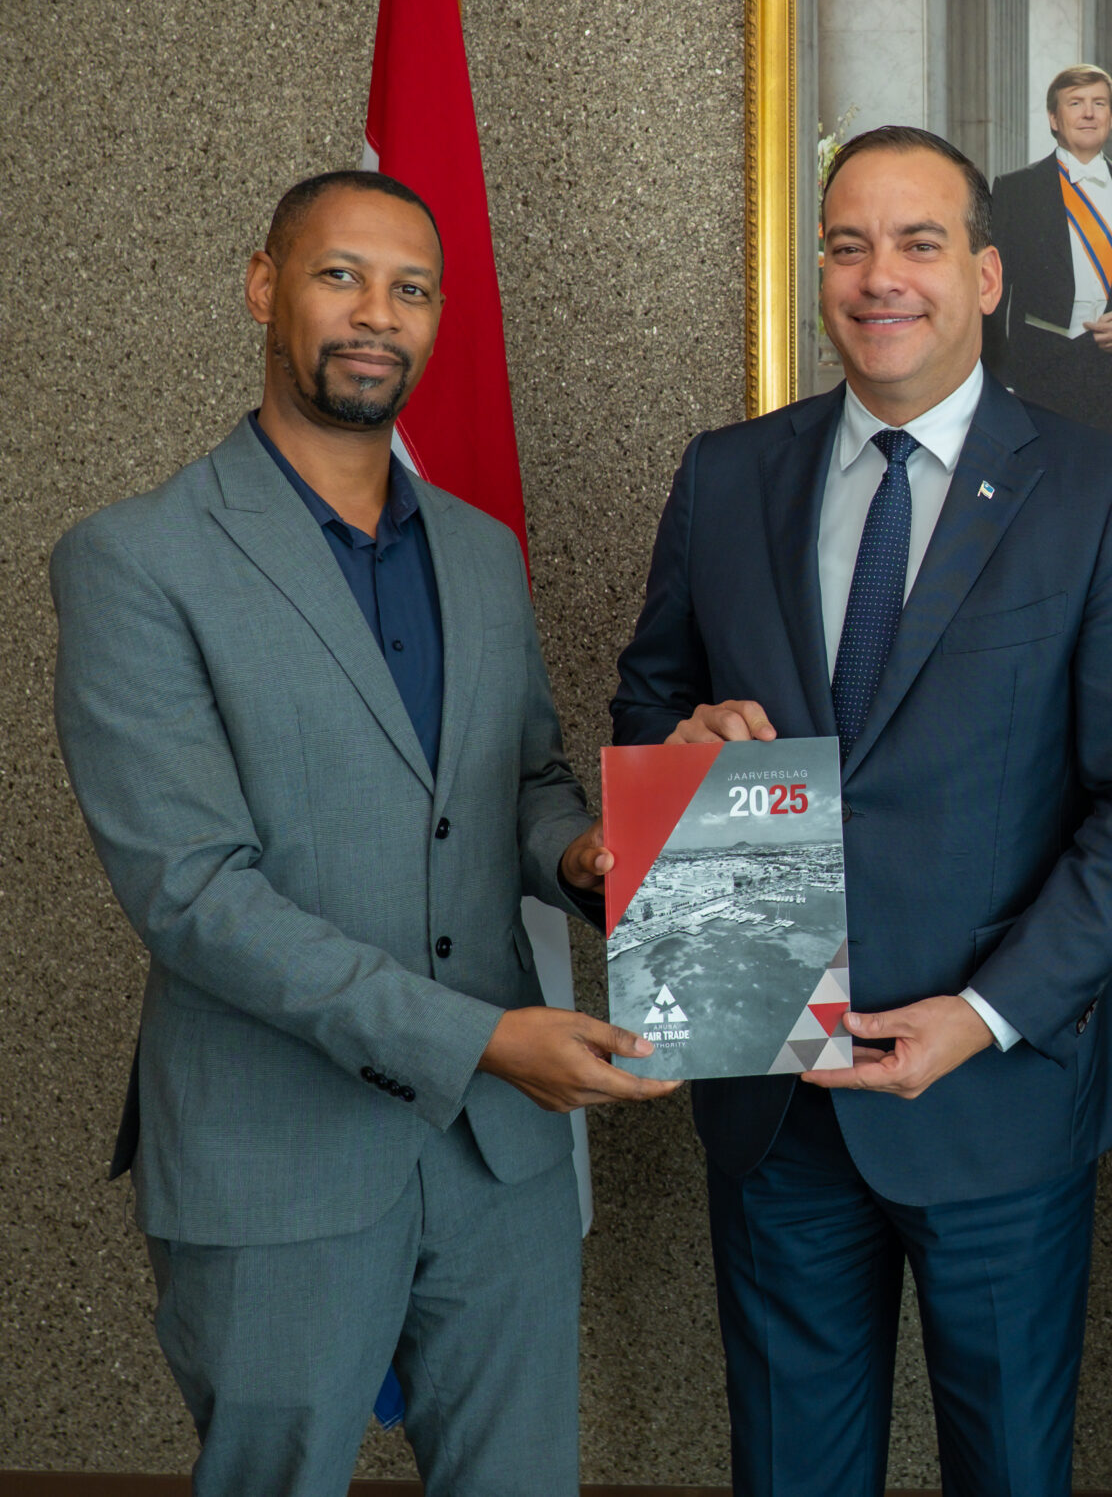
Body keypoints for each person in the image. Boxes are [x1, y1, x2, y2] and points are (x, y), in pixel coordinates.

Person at [51, 170, 675, 1497]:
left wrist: (580, 855)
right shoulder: (137, 560)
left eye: (412, 288)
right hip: (276, 1154)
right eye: (340, 275)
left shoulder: (482, 550)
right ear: (263, 287)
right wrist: (480, 1040)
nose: (377, 313)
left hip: (499, 1154)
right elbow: (195, 896)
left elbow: (522, 781)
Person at [610, 125, 1112, 1497]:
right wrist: (679, 749)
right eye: (848, 245)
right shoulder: (725, 477)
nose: (881, 275)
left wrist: (988, 1012)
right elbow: (648, 714)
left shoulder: (1106, 494)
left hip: (994, 1094)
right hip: (771, 1090)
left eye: (919, 243)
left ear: (986, 277)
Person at [984, 63, 1112, 445]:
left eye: (1099, 103)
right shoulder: (1017, 189)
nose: (1089, 113)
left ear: (1111, 118)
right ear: (1054, 118)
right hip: (1040, 371)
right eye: (1076, 103)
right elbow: (990, 293)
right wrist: (996, 382)